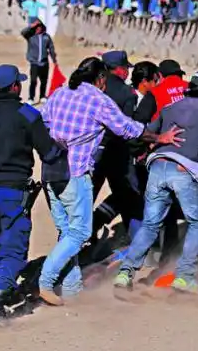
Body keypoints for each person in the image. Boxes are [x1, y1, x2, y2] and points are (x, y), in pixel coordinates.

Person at [37, 57, 182, 306]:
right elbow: (127, 128)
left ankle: (71, 288)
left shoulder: (59, 93)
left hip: (50, 171)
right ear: (101, 78)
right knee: (80, 232)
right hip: (76, 173)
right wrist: (160, 137)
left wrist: (60, 142)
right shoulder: (97, 99)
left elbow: (44, 123)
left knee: (67, 231)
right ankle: (46, 281)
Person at [0, 65, 63, 327]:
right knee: (15, 249)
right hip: (14, 192)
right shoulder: (27, 115)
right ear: (15, 86)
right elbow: (49, 153)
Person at [113, 69, 198, 295]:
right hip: (184, 170)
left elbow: (144, 133)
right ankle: (185, 277)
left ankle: (125, 273)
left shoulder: (169, 107)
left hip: (157, 168)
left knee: (150, 224)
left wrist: (142, 154)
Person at [91, 51, 144, 245]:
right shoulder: (126, 93)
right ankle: (137, 242)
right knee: (130, 197)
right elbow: (126, 128)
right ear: (120, 70)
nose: (127, 73)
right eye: (126, 68)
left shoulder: (93, 88)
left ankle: (81, 239)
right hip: (117, 154)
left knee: (86, 198)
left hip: (92, 152)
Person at [22, 19, 57, 104]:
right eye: (36, 27)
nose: (38, 29)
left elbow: (51, 48)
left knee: (44, 81)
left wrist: (54, 59)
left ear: (42, 27)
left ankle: (42, 96)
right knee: (33, 81)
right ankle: (31, 98)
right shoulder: (30, 36)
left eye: (39, 27)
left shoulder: (46, 37)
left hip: (44, 62)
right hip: (34, 63)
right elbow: (23, 32)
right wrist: (31, 26)